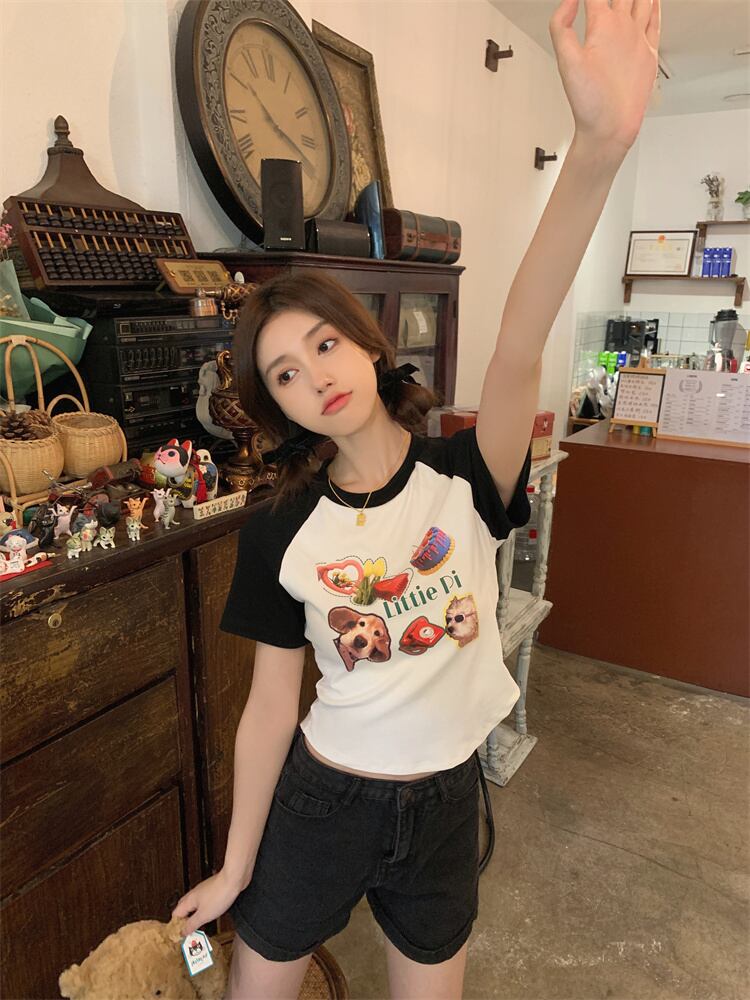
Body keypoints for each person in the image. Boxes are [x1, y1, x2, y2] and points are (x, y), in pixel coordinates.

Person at [172, 2, 661, 996]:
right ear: (277, 407)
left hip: (442, 804)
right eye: (285, 374)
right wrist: (234, 865)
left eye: (323, 344)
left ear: (366, 342)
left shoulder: (464, 476)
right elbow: (268, 710)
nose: (315, 376)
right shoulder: (281, 526)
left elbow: (518, 341)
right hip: (321, 803)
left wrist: (598, 151)